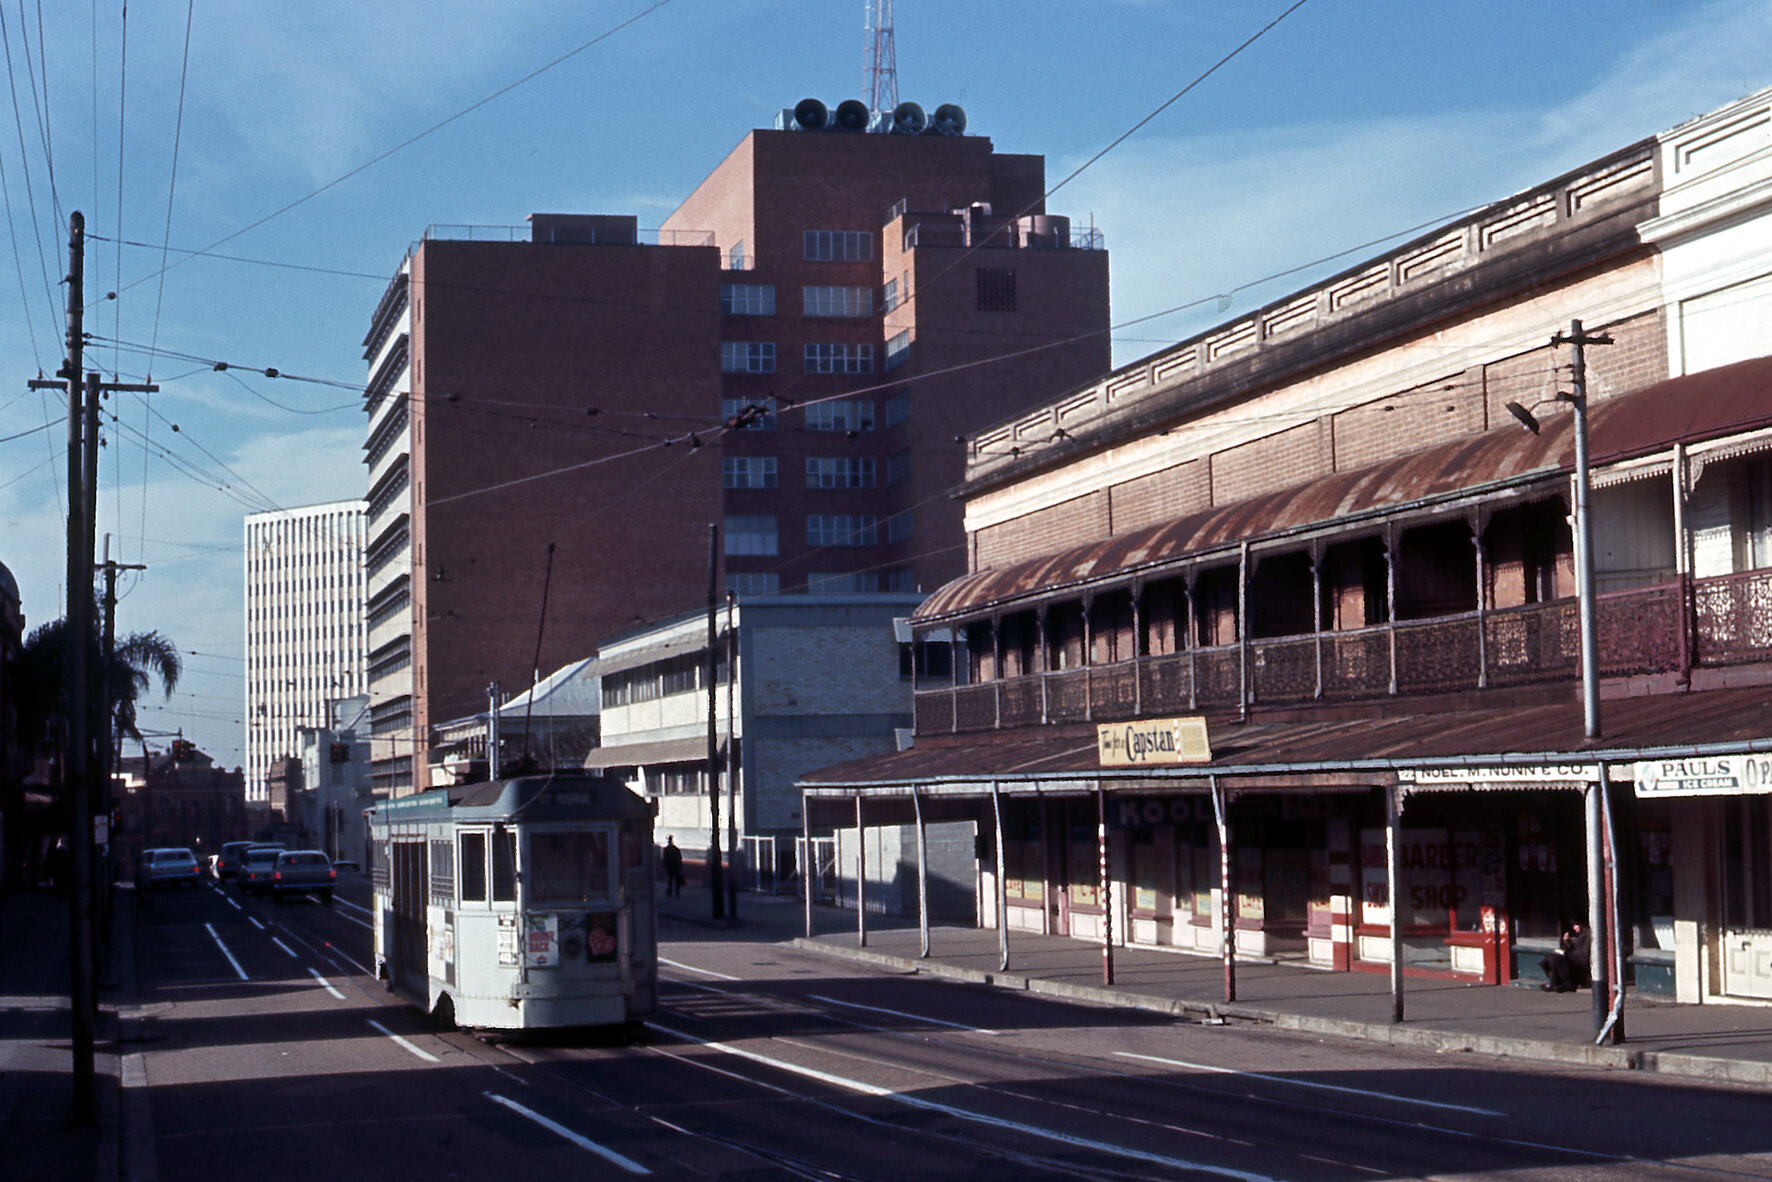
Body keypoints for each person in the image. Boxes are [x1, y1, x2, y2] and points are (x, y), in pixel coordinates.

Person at [1541, 920, 1592, 992]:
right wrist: (1567, 942)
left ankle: (1563, 983)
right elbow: (1573, 948)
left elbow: (1582, 954)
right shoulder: (1579, 935)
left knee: (1555, 959)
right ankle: (1554, 983)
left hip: (1580, 963)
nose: (1574, 928)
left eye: (1576, 925)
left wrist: (1567, 954)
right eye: (1573, 926)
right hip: (1574, 958)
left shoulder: (1587, 935)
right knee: (1550, 958)